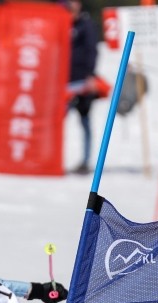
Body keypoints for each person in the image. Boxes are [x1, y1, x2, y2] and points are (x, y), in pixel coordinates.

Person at [64, 0, 99, 175]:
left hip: (81, 81)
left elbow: (92, 51)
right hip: (63, 81)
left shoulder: (86, 25)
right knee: (59, 122)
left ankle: (85, 160)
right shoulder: (62, 22)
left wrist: (90, 75)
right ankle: (55, 159)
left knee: (84, 120)